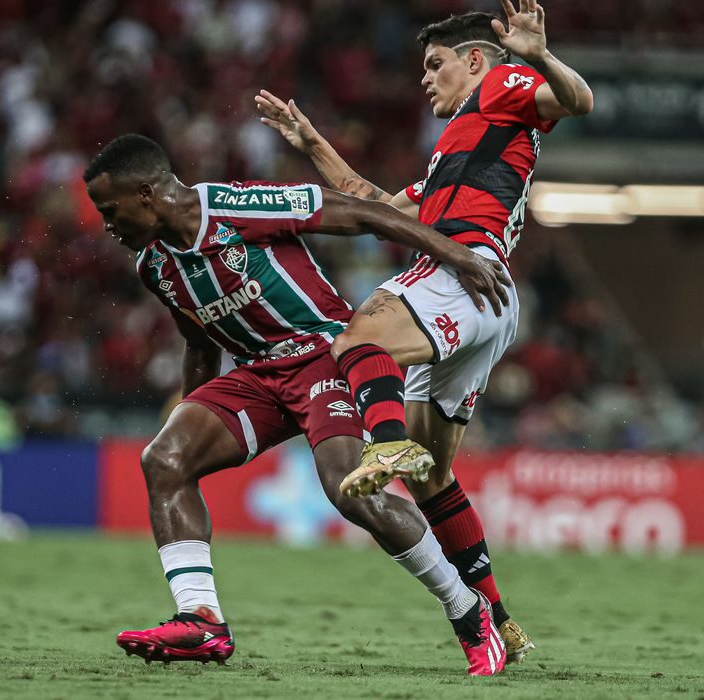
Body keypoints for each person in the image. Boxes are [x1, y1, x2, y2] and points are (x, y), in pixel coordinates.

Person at [84, 133, 513, 675]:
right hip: (257, 376)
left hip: (323, 355)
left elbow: (359, 214)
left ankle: (466, 609)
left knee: (349, 491)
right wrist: (193, 420)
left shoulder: (233, 206)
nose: (107, 224)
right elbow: (197, 342)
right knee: (164, 458)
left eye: (110, 209)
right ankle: (201, 620)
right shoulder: (153, 266)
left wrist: (453, 253)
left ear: (146, 194)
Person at [255, 0, 593, 662]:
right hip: (484, 299)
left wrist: (534, 53)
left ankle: (383, 446)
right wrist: (312, 143)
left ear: (474, 60)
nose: (424, 78)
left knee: (356, 341)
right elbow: (379, 205)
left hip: (462, 274)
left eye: (435, 64)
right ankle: (500, 619)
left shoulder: (501, 85)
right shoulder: (454, 151)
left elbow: (577, 100)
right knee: (435, 475)